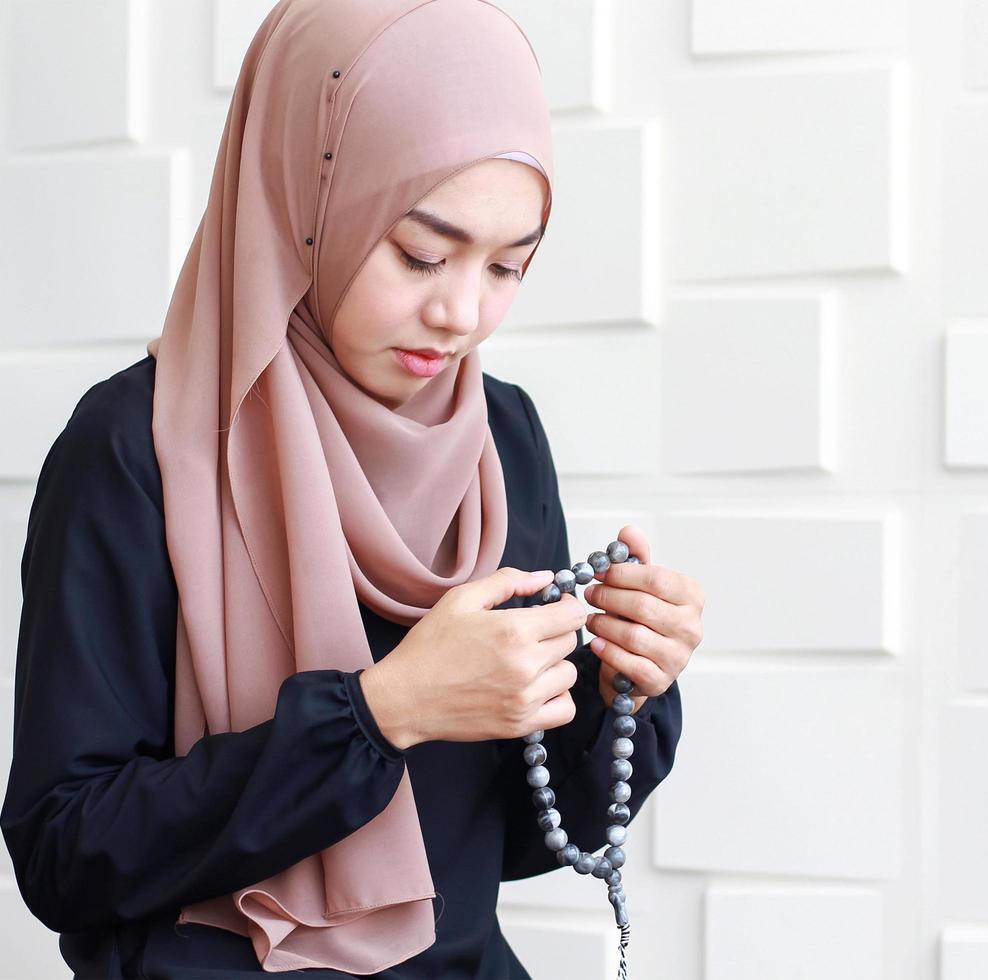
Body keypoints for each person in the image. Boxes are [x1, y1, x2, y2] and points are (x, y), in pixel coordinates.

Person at [0, 1, 703, 977]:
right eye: (419, 251)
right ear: (306, 197)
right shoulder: (135, 445)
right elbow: (63, 852)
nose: (461, 312)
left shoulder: (500, 439)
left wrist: (620, 687)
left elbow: (512, 835)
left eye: (508, 264)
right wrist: (378, 714)